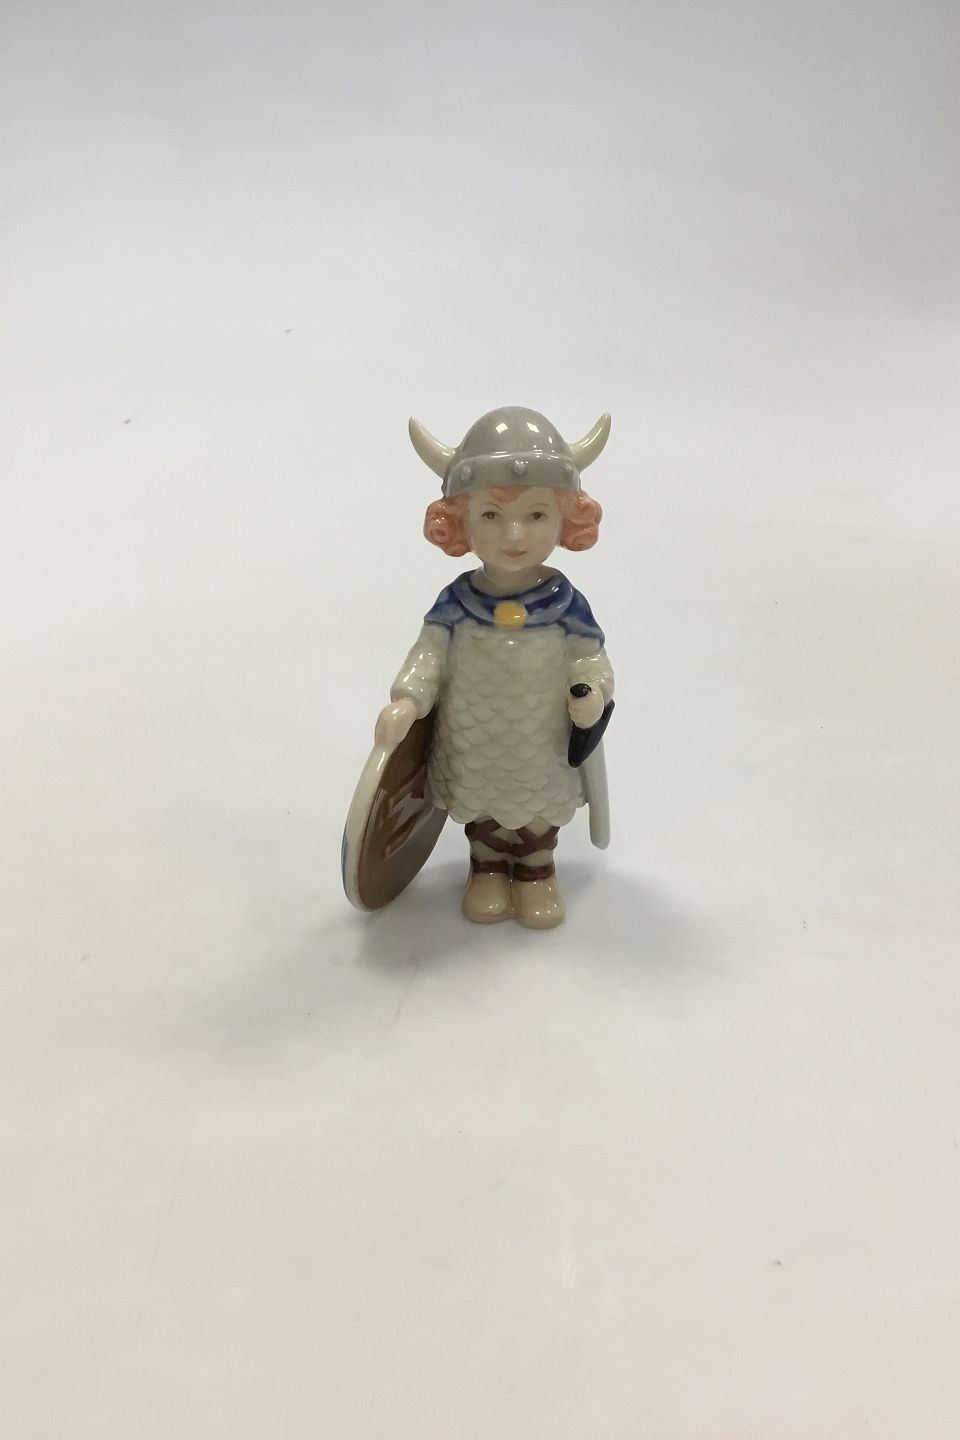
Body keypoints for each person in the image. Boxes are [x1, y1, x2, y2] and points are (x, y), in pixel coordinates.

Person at [373, 406, 614, 929]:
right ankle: (485, 868)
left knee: (537, 807)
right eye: (490, 515)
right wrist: (408, 700)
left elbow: (591, 658)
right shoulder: (457, 604)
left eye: (536, 515)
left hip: (541, 740)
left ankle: (535, 871)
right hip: (472, 741)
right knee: (482, 804)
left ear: (565, 519)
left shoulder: (566, 605)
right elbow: (428, 655)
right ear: (459, 521)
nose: (513, 535)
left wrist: (591, 692)